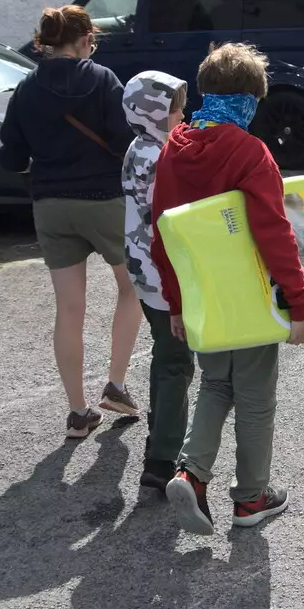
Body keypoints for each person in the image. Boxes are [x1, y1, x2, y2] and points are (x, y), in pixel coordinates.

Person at [149, 43, 304, 535]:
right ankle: (251, 498)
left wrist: (177, 303)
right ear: (250, 99)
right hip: (249, 297)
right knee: (257, 397)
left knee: (217, 384)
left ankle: (191, 472)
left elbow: (163, 234)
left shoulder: (172, 147)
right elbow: (275, 232)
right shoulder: (249, 152)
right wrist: (299, 302)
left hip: (202, 299)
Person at [0, 5, 143, 439]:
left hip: (50, 205)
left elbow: (10, 157)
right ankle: (116, 386)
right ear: (83, 40)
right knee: (130, 288)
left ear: (44, 43)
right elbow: (124, 140)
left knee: (69, 309)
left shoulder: (25, 88)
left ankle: (78, 413)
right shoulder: (100, 79)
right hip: (103, 200)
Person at [120, 71, 195, 493]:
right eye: (174, 108)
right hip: (164, 276)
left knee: (164, 356)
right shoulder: (159, 157)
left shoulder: (140, 147)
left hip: (143, 271)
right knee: (176, 363)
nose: (182, 114)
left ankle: (159, 437)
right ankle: (163, 459)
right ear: (151, 114)